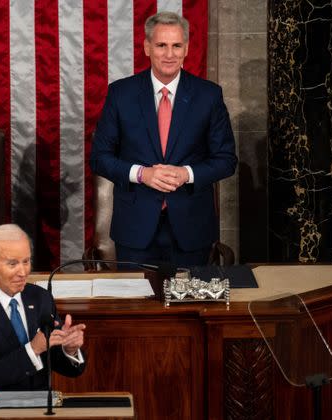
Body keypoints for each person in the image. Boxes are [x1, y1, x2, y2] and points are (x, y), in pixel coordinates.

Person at [90, 12, 237, 267]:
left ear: (187, 48)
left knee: (190, 307)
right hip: (135, 231)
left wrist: (186, 174)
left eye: (176, 45)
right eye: (161, 45)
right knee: (137, 306)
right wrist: (141, 174)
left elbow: (226, 160)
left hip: (192, 230)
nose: (169, 54)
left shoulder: (208, 96)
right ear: (147, 47)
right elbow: (100, 158)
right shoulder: (121, 94)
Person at [0, 224, 86, 400]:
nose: (23, 272)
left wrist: (69, 349)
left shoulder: (41, 298)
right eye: (12, 263)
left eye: (26, 261)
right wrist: (33, 349)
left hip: (41, 408)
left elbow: (60, 364)